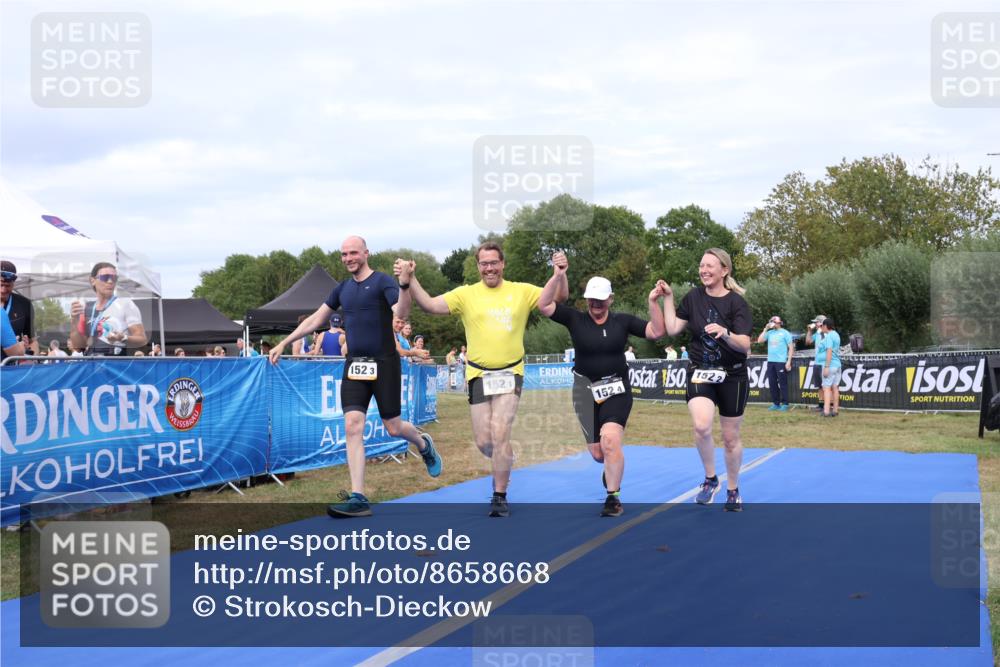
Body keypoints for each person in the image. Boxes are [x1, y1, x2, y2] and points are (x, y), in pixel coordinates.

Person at [269, 236, 441, 517]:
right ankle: (359, 497)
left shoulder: (384, 282)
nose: (348, 258)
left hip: (384, 364)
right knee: (352, 425)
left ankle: (423, 443)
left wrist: (406, 284)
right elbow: (315, 320)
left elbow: (402, 312)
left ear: (366, 253)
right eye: (343, 254)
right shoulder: (342, 289)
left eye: (353, 253)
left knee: (394, 428)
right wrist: (283, 342)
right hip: (354, 366)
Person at [395, 243, 568, 517]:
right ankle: (505, 458)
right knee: (484, 442)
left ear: (503, 264)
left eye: (494, 263)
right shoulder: (466, 294)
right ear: (478, 266)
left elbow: (558, 297)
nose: (489, 268)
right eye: (484, 263)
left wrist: (559, 273)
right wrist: (411, 278)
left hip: (511, 372)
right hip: (478, 374)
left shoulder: (521, 291)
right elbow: (428, 305)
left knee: (500, 433)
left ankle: (499, 496)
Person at [540, 273, 668, 516]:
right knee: (599, 453)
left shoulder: (622, 321)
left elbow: (656, 331)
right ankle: (610, 467)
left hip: (616, 390)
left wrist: (653, 302)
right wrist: (558, 276)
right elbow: (544, 305)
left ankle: (613, 497)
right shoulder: (575, 319)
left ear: (610, 299)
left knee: (610, 441)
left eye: (600, 300)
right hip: (584, 392)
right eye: (591, 300)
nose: (596, 306)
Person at [661, 248, 752, 512]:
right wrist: (668, 298)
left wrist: (725, 333)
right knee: (701, 427)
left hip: (733, 374)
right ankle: (711, 479)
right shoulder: (693, 297)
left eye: (710, 266)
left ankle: (733, 489)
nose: (704, 270)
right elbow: (673, 328)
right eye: (701, 265)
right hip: (700, 370)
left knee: (730, 437)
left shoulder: (737, 303)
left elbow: (744, 345)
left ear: (724, 270)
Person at [69, 262, 147, 356]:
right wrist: (74, 320)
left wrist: (123, 338)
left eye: (114, 278)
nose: (110, 281)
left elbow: (142, 339)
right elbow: (78, 347)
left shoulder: (126, 304)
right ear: (93, 280)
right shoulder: (87, 307)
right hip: (91, 365)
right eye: (105, 277)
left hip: (115, 365)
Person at [757, 315, 794, 411]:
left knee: (783, 383)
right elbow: (759, 341)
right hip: (771, 362)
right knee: (772, 383)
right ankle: (776, 403)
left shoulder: (785, 333)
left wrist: (788, 361)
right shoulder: (770, 333)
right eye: (772, 321)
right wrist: (765, 329)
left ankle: (785, 403)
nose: (773, 322)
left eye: (774, 321)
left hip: (781, 362)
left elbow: (791, 347)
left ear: (779, 322)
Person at [1, 261, 36, 360]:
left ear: (13, 284)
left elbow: (32, 341)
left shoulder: (25, 304)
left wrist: (32, 359)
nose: (3, 290)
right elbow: (16, 352)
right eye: (1, 285)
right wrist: (18, 349)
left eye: (7, 286)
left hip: (13, 370)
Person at [817, 317, 842, 417]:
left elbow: (829, 351)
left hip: (830, 365)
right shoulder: (836, 335)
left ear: (826, 326)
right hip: (837, 365)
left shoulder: (829, 336)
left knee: (826, 388)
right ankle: (835, 410)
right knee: (835, 387)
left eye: (822, 325)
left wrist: (826, 366)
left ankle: (826, 411)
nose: (821, 327)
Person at [804, 315, 827, 411]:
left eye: (816, 322)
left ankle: (827, 406)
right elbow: (808, 341)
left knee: (826, 386)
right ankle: (821, 405)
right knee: (820, 385)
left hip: (825, 363)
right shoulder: (817, 333)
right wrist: (809, 331)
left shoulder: (826, 333)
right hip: (817, 362)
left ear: (821, 323)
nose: (814, 324)